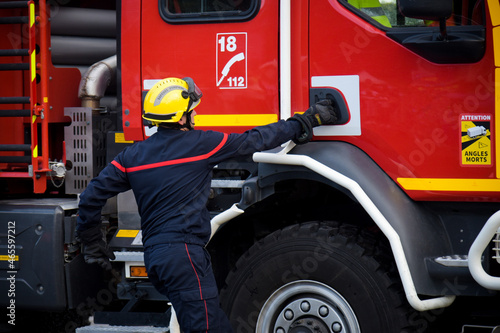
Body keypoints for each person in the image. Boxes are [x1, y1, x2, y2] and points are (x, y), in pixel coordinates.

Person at [75, 77, 338, 332]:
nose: (195, 116)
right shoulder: (200, 144)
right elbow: (256, 139)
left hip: (155, 257)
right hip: (183, 257)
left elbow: (90, 198)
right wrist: (305, 121)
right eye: (192, 112)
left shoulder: (131, 155)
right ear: (180, 117)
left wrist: (92, 241)